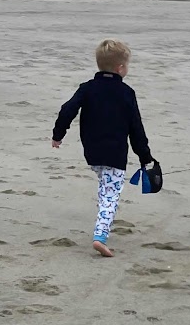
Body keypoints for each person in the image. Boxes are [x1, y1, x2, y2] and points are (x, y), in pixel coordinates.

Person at [52, 38, 153, 257]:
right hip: (115, 153)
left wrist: (58, 135)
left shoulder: (87, 88)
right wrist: (145, 157)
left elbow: (67, 109)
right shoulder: (126, 93)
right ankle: (100, 237)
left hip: (92, 151)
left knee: (106, 186)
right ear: (120, 68)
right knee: (111, 195)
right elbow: (136, 128)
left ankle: (102, 222)